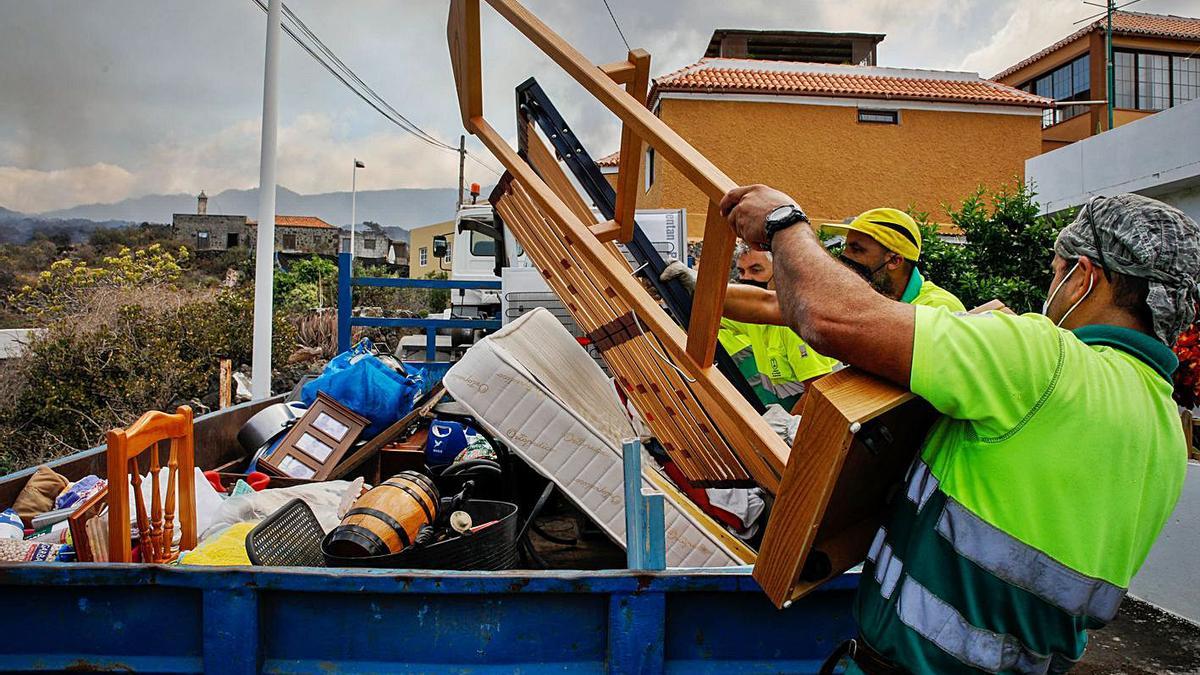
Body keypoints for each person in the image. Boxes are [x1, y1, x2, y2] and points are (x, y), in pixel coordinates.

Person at [720, 185, 1199, 673]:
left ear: (1083, 278)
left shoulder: (1043, 360)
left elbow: (831, 317)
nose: (1048, 288)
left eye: (1055, 271)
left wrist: (783, 222)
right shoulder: (1164, 428)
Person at [669, 207, 965, 328]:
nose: (845, 258)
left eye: (858, 250)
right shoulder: (856, 298)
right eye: (847, 247)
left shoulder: (938, 309)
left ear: (894, 260)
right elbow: (771, 304)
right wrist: (700, 286)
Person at [719, 242, 837, 410]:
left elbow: (818, 394)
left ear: (782, 271)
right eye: (741, 271)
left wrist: (786, 429)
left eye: (756, 270)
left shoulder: (796, 325)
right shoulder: (754, 316)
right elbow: (713, 314)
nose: (745, 278)